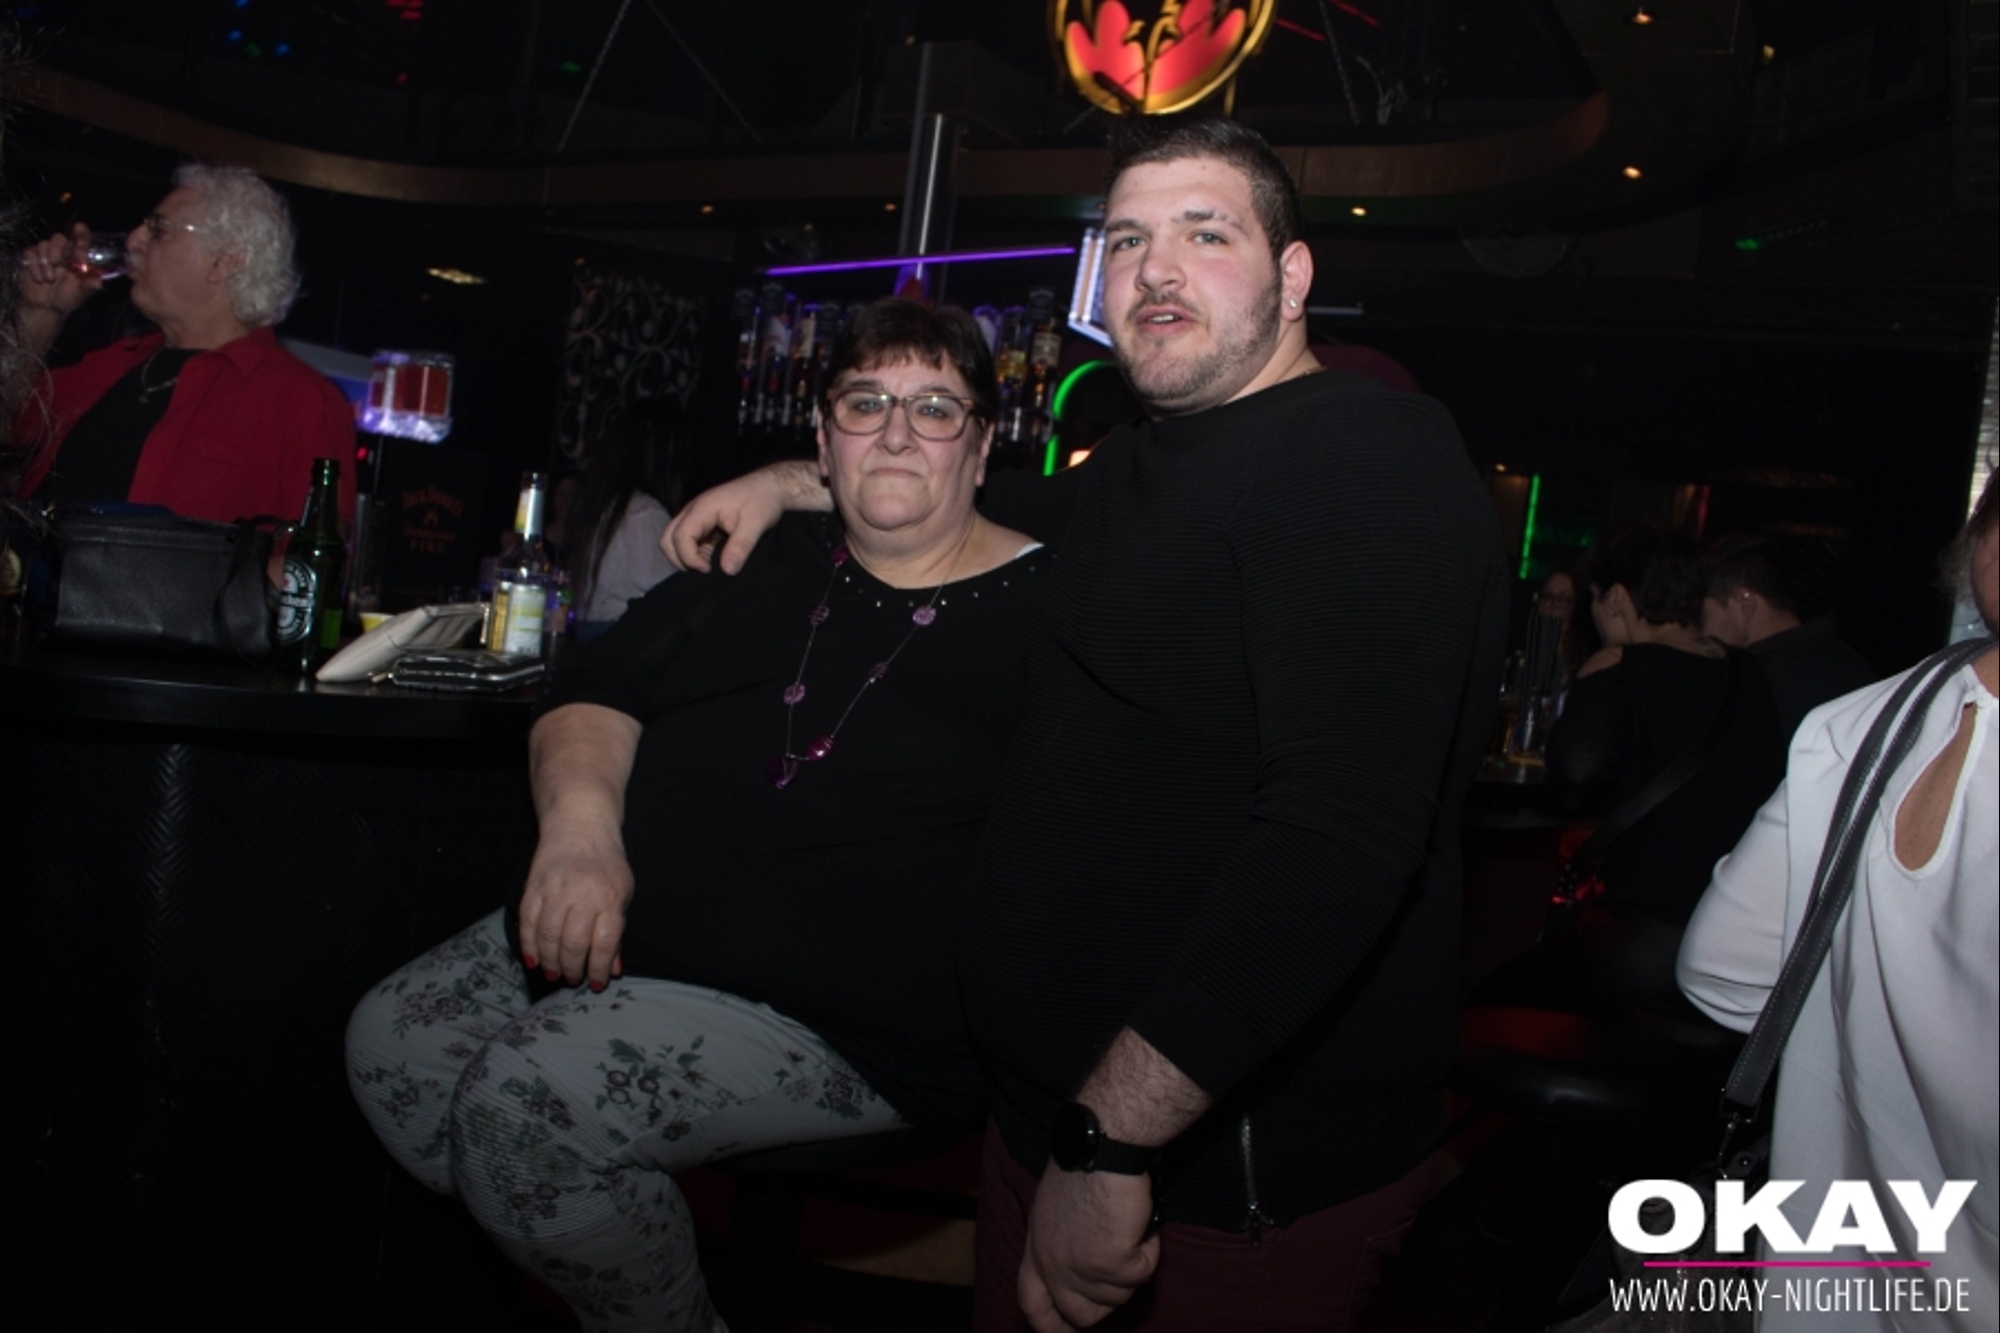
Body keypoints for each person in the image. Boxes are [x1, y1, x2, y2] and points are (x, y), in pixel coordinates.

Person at [664, 114, 1510, 1332]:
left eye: (1204, 235)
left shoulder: (1362, 463)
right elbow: (975, 498)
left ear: (1291, 278)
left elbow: (1335, 840)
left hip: (1214, 1168)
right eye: (1126, 240)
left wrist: (1113, 1142)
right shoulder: (1135, 468)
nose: (1156, 269)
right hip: (1052, 1122)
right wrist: (790, 479)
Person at [345, 299, 1043, 1332]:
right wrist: (581, 835)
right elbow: (597, 684)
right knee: (394, 1046)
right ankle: (582, 1243)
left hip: (855, 1026)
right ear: (821, 441)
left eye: (934, 408)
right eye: (864, 403)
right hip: (641, 943)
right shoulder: (760, 557)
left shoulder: (1051, 607)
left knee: (523, 1106)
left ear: (982, 446)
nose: (896, 432)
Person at [1678, 472, 1997, 1331]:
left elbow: (1724, 962)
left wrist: (1856, 1029)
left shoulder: (1854, 715)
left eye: (1708, 606)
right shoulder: (1848, 687)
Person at [1517, 526, 1788, 1011]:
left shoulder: (1622, 666)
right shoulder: (1749, 672)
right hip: (1731, 940)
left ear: (1617, 598)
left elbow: (1575, 770)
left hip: (1642, 942)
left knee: (1501, 990)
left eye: (1594, 599)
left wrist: (1597, 674)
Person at [11, 162, 356, 523]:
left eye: (158, 230)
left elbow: (315, 549)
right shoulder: (114, 364)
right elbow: (11, 424)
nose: (133, 240)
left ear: (223, 262)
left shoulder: (302, 402)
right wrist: (39, 310)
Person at [1701, 531, 1873, 739]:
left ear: (1745, 602)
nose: (1701, 630)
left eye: (1703, 616)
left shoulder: (1783, 680)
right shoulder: (1832, 656)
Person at [566, 394, 687, 639]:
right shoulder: (644, 511)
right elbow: (667, 592)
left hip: (591, 633)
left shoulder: (606, 504)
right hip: (620, 636)